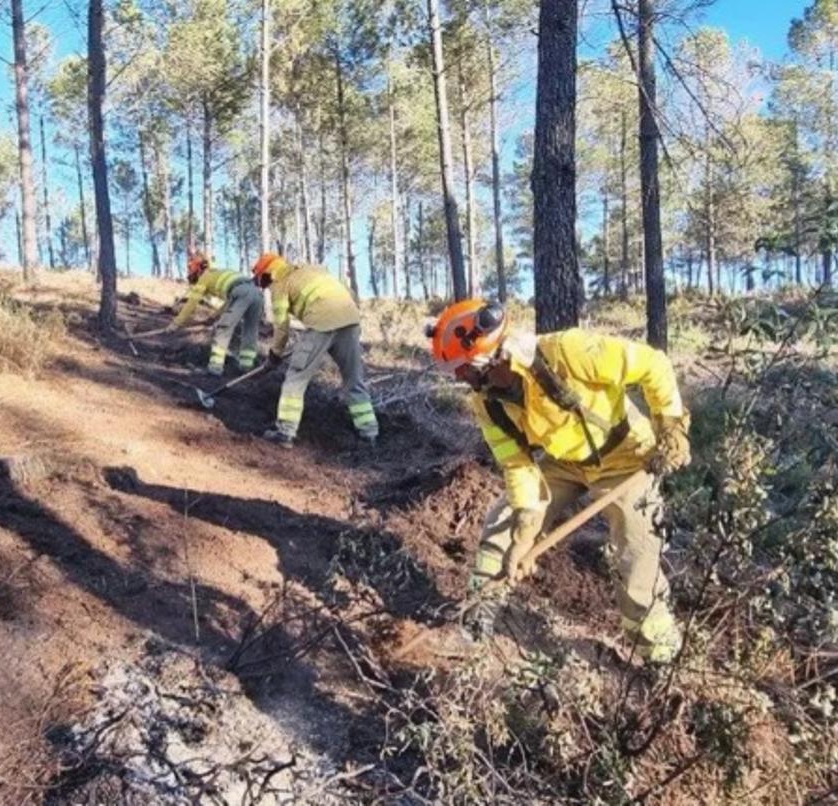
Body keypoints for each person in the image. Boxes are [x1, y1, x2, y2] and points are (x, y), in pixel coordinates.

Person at [429, 298, 692, 663]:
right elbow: (517, 465)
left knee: (635, 553)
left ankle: (659, 654)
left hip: (627, 457)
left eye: (463, 369)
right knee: (502, 524)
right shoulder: (486, 402)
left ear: (492, 356)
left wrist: (670, 424)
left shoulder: (568, 351)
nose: (460, 378)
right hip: (566, 461)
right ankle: (475, 623)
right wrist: (525, 527)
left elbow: (653, 365)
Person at [252, 252, 378, 448]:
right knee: (354, 380)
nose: (265, 286)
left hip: (321, 322)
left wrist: (275, 355)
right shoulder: (312, 269)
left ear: (267, 273)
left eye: (263, 281)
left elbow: (281, 327)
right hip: (350, 319)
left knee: (296, 377)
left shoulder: (280, 285)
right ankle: (369, 433)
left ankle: (285, 432)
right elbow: (348, 293)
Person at [132, 253, 263, 375]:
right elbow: (231, 301)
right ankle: (246, 366)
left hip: (240, 293)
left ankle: (215, 368)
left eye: (192, 272)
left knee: (223, 330)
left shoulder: (205, 278)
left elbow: (191, 305)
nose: (191, 276)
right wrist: (214, 316)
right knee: (250, 331)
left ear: (199, 270)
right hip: (257, 294)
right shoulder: (220, 273)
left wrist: (175, 324)